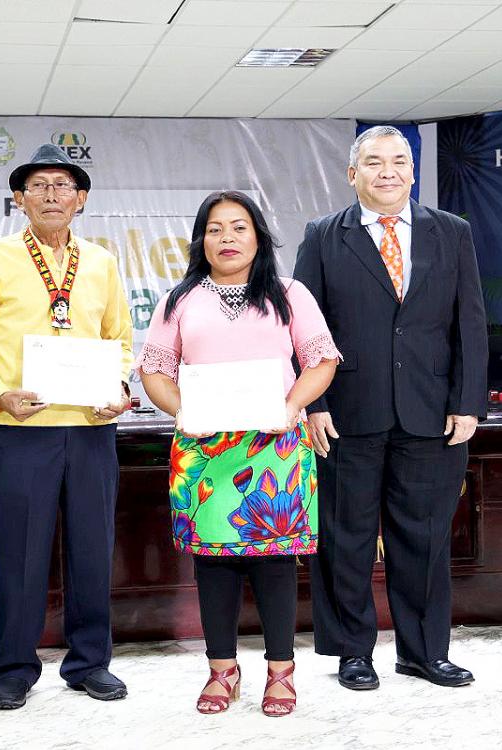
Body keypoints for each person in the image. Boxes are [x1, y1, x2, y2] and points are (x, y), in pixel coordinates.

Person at [293, 126, 488, 691]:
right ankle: (353, 651)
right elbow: (306, 329)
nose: (388, 172)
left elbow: (469, 323)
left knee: (424, 538)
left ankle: (424, 652)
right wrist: (315, 402)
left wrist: (468, 401)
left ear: (412, 170)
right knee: (344, 536)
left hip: (432, 414)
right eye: (374, 162)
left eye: (399, 161)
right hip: (346, 413)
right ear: (353, 174)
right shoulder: (325, 235)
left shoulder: (451, 232)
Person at [138, 191, 339, 717]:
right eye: (215, 229)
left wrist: (293, 406)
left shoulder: (290, 294)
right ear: (200, 239)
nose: (226, 238)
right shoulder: (178, 301)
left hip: (274, 446)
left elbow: (321, 360)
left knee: (274, 562)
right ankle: (221, 670)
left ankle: (280, 671)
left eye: (239, 227)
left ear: (259, 237)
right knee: (214, 565)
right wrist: (182, 411)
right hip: (204, 450)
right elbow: (154, 370)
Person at [0, 144, 134, 710]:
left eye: (62, 186)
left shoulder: (101, 261)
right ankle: (14, 668)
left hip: (90, 428)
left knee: (93, 549)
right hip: (20, 429)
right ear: (19, 198)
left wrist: (118, 389)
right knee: (21, 553)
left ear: (81, 200)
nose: (51, 195)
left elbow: (121, 342)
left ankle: (88, 664)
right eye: (39, 186)